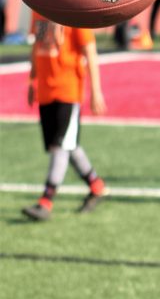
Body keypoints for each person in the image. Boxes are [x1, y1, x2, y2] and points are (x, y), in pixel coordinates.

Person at [22, 12, 107, 221]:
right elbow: (38, 46)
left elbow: (89, 50)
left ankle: (46, 201)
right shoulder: (39, 9)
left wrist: (96, 91)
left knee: (60, 146)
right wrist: (32, 80)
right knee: (68, 145)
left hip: (68, 89)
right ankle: (96, 186)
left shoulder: (74, 10)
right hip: (46, 90)